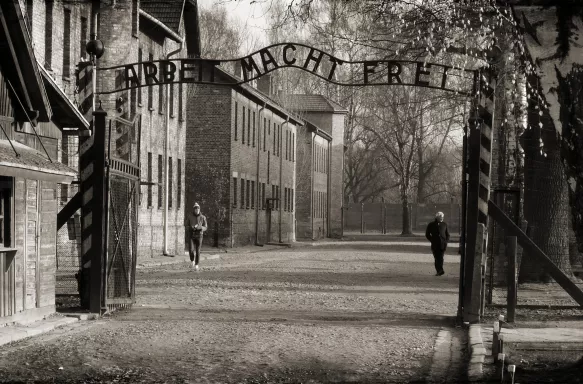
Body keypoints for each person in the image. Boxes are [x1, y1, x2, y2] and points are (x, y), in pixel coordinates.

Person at [425, 211, 450, 276]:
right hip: (435, 244)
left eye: (443, 217)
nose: (442, 218)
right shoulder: (431, 224)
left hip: (442, 244)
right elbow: (427, 234)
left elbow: (448, 234)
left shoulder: (444, 224)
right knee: (436, 257)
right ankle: (439, 270)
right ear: (437, 217)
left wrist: (446, 241)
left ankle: (440, 270)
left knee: (441, 257)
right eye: (441, 217)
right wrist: (432, 240)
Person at [185, 202, 207, 271]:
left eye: (198, 209)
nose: (197, 210)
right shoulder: (190, 216)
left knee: (198, 250)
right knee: (191, 249)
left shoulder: (203, 217)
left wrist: (200, 228)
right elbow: (186, 225)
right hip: (191, 234)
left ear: (199, 210)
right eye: (195, 209)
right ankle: (192, 261)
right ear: (194, 210)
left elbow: (205, 227)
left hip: (199, 235)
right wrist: (190, 227)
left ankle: (197, 264)